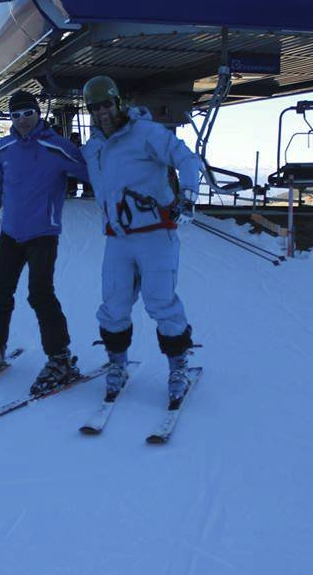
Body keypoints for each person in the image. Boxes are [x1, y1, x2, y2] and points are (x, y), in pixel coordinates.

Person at [79, 75, 202, 406]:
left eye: (106, 104)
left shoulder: (146, 134)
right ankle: (117, 364)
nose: (102, 112)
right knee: (114, 304)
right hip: (117, 239)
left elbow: (188, 159)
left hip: (155, 235)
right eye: (94, 107)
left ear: (118, 102)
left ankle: (178, 367)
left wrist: (187, 196)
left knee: (160, 301)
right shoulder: (94, 148)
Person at [0, 90, 89, 396]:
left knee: (40, 294)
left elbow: (92, 173)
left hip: (43, 234)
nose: (22, 120)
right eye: (16, 115)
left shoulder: (57, 147)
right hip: (10, 233)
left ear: (38, 113)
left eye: (28, 113)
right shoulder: (4, 148)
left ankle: (59, 357)